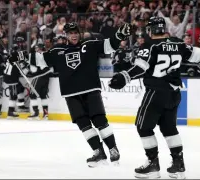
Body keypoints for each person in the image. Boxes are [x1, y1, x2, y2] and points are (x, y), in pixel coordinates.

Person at [108, 17, 200, 179]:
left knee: (143, 127)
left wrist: (123, 77)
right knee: (169, 129)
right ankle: (178, 164)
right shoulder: (178, 44)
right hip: (174, 93)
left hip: (156, 92)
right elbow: (199, 54)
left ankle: (153, 163)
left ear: (151, 30)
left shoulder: (149, 46)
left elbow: (140, 68)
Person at [39, 22, 131, 167]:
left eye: (75, 32)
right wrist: (19, 57)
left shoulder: (90, 45)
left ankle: (113, 148)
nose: (73, 35)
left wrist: (119, 34)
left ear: (80, 33)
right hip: (71, 94)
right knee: (83, 124)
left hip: (91, 90)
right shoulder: (57, 51)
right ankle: (98, 151)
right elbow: (40, 59)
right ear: (66, 35)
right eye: (70, 33)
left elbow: (110, 45)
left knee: (100, 120)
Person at [27, 42, 52, 120]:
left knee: (32, 94)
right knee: (43, 95)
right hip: (46, 76)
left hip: (38, 76)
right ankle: (46, 114)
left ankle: (35, 113)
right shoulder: (48, 54)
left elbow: (29, 64)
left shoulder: (34, 55)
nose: (36, 49)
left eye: (36, 48)